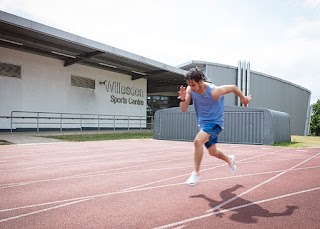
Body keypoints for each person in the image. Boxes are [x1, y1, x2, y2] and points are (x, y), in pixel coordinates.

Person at [178, 68, 251, 186]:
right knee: (213, 152)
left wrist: (243, 98)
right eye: (189, 85)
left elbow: (233, 87)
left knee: (198, 141)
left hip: (215, 124)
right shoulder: (190, 89)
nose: (191, 87)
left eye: (193, 85)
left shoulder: (214, 91)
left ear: (201, 82)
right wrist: (182, 99)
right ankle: (229, 160)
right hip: (203, 125)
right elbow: (183, 109)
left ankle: (196, 174)